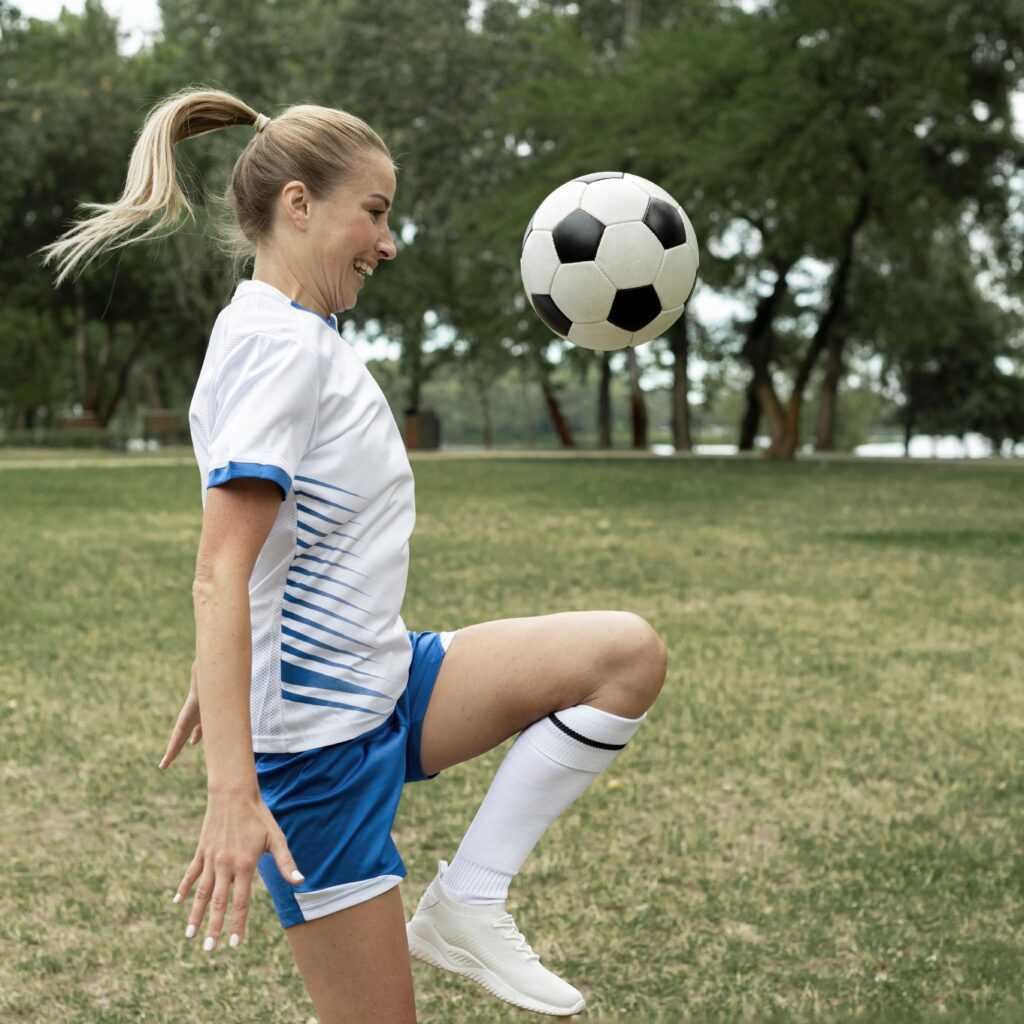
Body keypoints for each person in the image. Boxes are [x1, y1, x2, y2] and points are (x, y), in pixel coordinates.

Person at [40, 87, 668, 1024]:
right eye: (373, 213)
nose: (389, 242)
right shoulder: (275, 348)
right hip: (313, 756)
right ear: (299, 205)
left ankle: (467, 902)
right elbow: (218, 566)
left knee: (623, 655)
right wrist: (232, 790)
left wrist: (233, 666)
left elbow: (264, 553)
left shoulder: (301, 336)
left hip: (384, 679)